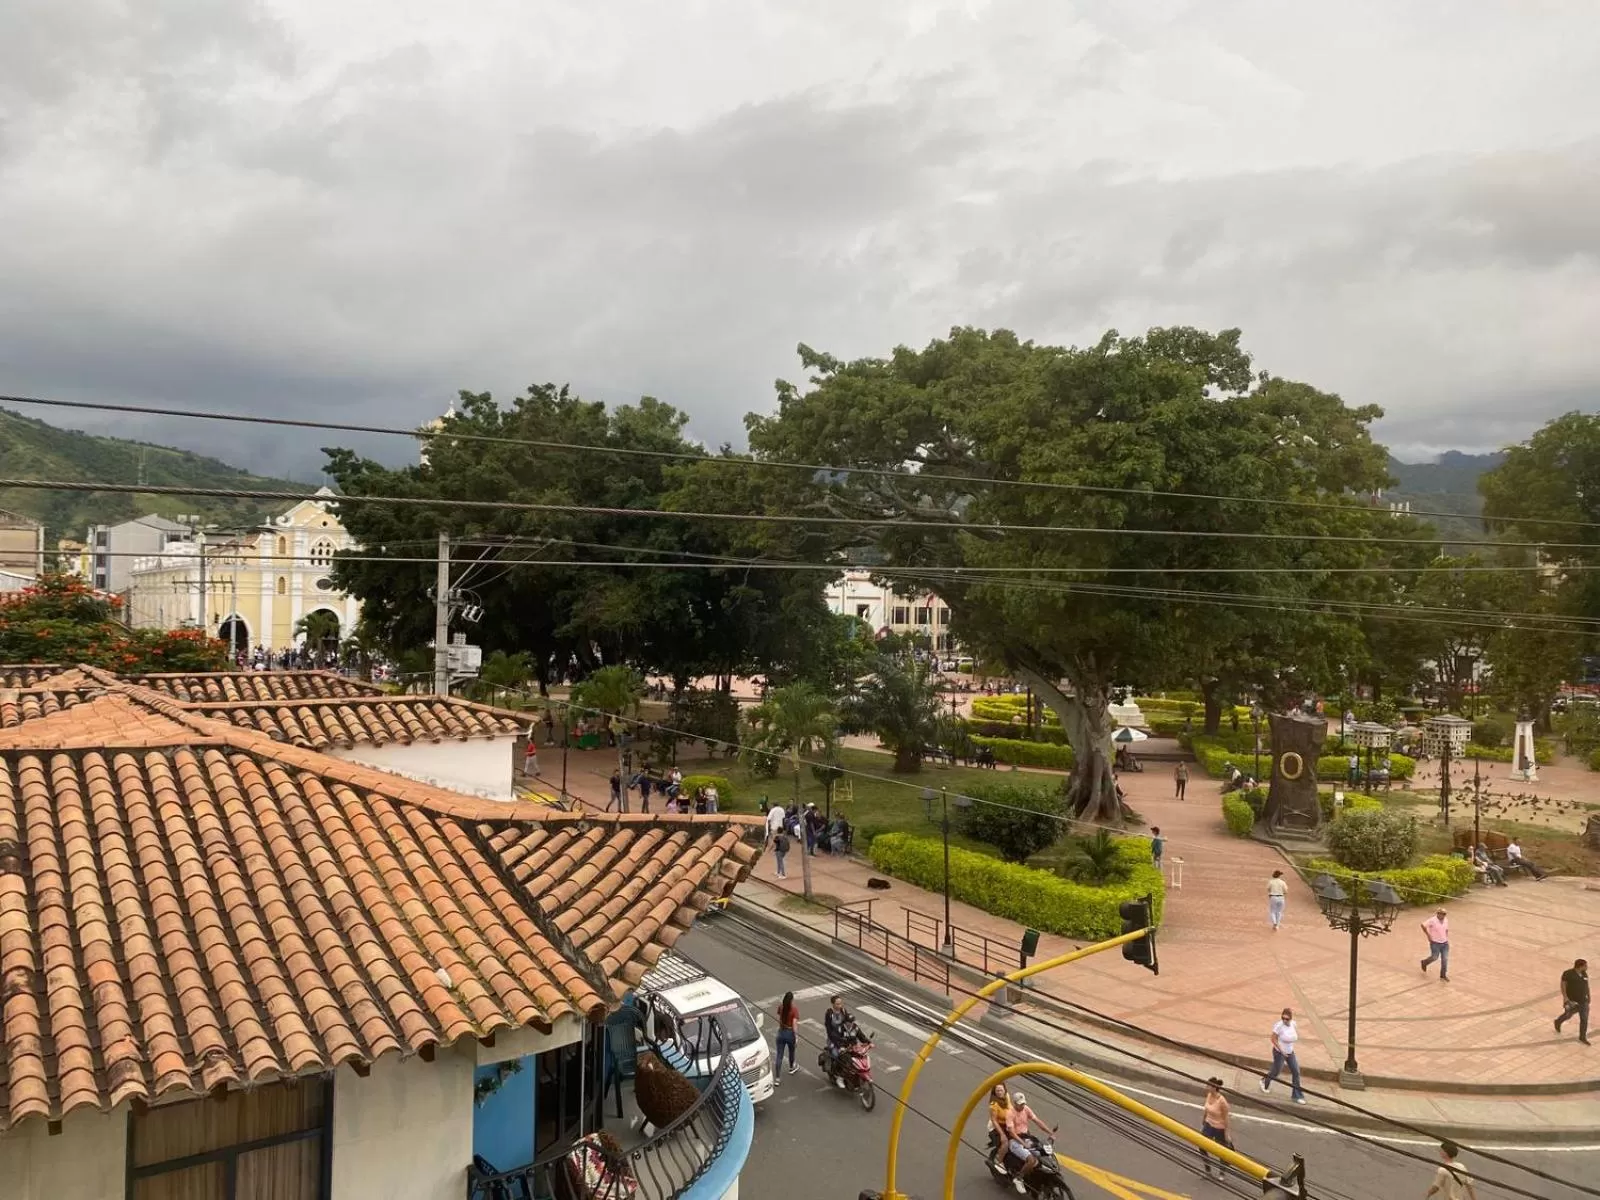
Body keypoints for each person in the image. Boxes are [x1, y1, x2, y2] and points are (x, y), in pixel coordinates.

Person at [1260, 1007, 1306, 1103]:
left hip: (1290, 1052)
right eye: (1283, 1018)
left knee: (1296, 1071)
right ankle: (1265, 1081)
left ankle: (1297, 1095)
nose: (1285, 1020)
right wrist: (1281, 1050)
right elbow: (1273, 1039)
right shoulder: (1279, 1026)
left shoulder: (1293, 1024)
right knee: (1276, 1072)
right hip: (1279, 1052)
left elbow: (1293, 1036)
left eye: (1287, 1019)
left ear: (1291, 1018)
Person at [1198, 1077, 1232, 1177]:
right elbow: (1206, 1109)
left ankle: (1222, 1172)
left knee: (1221, 1152)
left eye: (1208, 1085)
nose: (1206, 1087)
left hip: (1219, 1128)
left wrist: (1226, 1133)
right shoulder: (1209, 1095)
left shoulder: (1222, 1101)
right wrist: (1203, 1121)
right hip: (1208, 1124)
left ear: (1214, 1087)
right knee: (1202, 1147)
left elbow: (1226, 1118)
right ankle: (1207, 1169)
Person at [1555, 958, 1590, 1046]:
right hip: (1572, 1001)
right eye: (1585, 965)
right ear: (1580, 966)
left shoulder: (1584, 973)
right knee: (1568, 1015)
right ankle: (1558, 1022)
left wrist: (1589, 996)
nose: (1587, 967)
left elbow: (1586, 985)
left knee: (1584, 1019)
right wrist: (1566, 998)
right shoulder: (1568, 974)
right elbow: (1563, 986)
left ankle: (1582, 1037)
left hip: (1583, 1001)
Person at [824, 996, 853, 1084]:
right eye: (837, 1004)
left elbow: (849, 1022)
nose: (840, 1005)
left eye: (840, 1003)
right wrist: (837, 1043)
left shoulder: (843, 1011)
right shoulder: (829, 1013)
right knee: (837, 1055)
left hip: (843, 1038)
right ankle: (836, 1074)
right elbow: (829, 1030)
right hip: (833, 1039)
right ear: (833, 1004)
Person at [773, 991, 799, 1081]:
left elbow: (780, 1015)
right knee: (791, 1052)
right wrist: (796, 1037)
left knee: (779, 1055)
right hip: (790, 1032)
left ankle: (777, 1077)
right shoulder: (794, 1010)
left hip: (781, 1032)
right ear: (791, 1000)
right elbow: (794, 1024)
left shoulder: (781, 1007)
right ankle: (791, 1067)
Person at [1420, 908, 1450, 982]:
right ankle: (1424, 962)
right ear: (1438, 913)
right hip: (1435, 943)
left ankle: (1443, 975)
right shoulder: (1432, 920)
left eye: (1444, 914)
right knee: (1434, 957)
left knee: (1445, 959)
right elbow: (1423, 925)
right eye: (1441, 913)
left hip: (1444, 943)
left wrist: (1446, 937)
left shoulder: (1446, 920)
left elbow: (1446, 929)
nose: (1443, 915)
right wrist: (1428, 935)